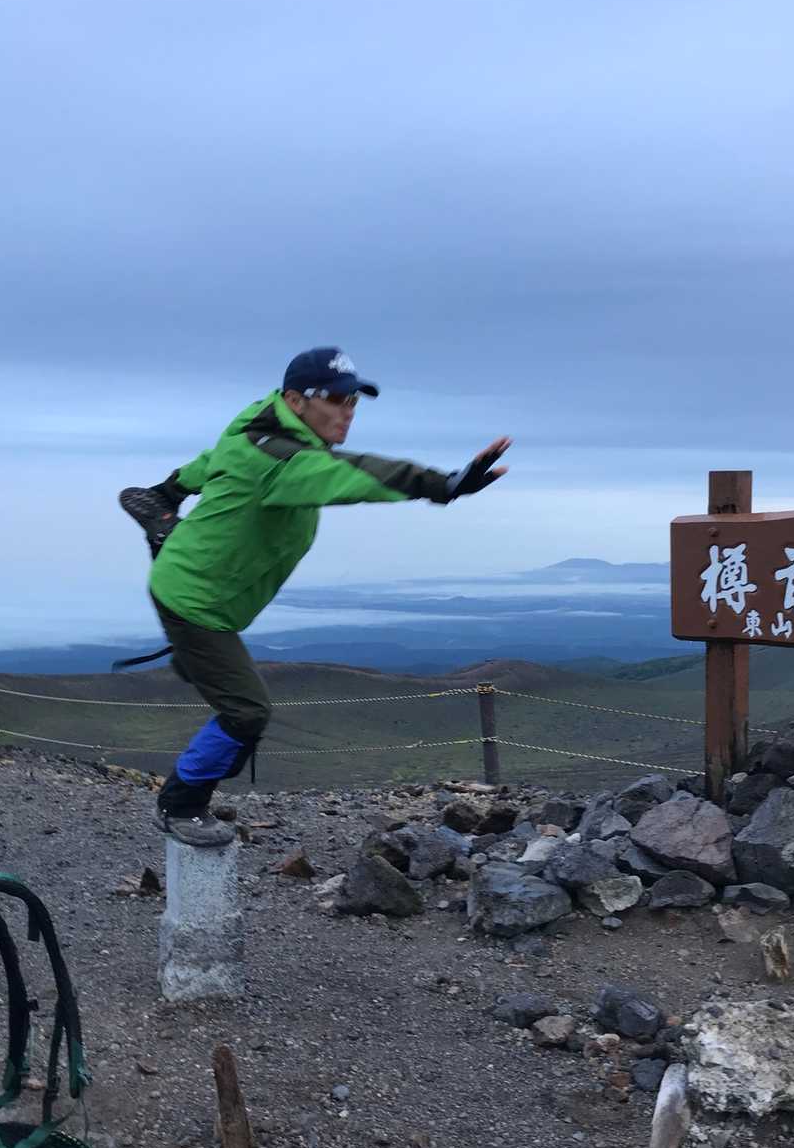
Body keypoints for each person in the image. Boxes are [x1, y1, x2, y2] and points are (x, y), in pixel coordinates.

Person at [120, 346, 512, 846]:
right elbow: (360, 474)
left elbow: (214, 459)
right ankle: (181, 803)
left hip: (203, 590)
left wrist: (170, 490)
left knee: (218, 678)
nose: (347, 412)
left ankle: (192, 658)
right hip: (194, 604)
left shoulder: (256, 427)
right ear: (295, 401)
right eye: (335, 399)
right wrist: (443, 484)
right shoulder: (283, 462)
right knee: (246, 712)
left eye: (353, 401)